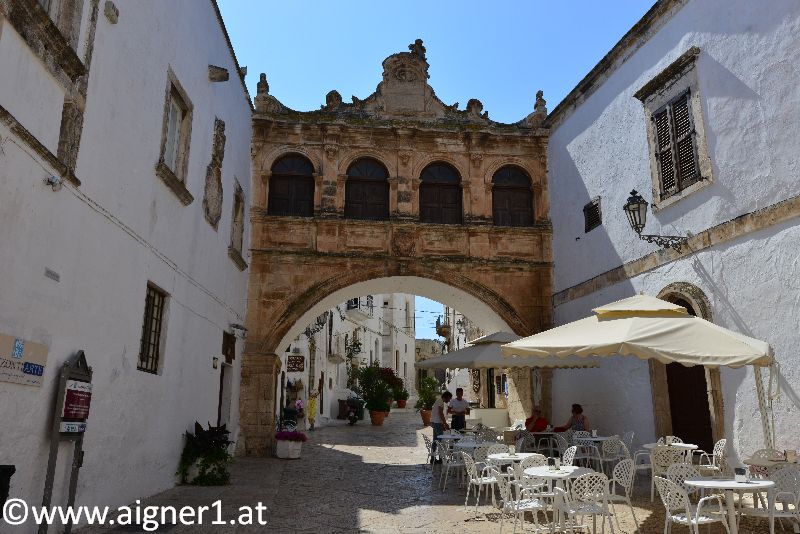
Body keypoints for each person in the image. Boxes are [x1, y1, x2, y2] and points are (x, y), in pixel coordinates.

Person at [430, 390, 452, 463]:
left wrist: (442, 424)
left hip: (434, 422)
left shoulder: (438, 400)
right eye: (449, 398)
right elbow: (440, 413)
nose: (449, 400)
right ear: (446, 397)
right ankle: (441, 458)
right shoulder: (441, 402)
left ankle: (433, 458)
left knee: (435, 441)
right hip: (437, 423)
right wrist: (445, 423)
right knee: (440, 441)